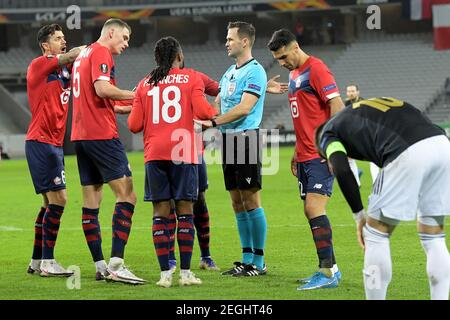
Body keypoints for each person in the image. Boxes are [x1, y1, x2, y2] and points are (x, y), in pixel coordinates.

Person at [315, 97, 450, 300]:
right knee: (433, 236)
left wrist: (359, 216)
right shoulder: (359, 112)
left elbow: (341, 168)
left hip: (407, 151)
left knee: (375, 235)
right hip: (442, 145)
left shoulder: (328, 133)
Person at [128, 36, 218, 288]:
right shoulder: (191, 78)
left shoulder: (145, 83)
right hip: (183, 151)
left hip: (154, 153)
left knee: (160, 212)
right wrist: (216, 110)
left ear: (157, 59)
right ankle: (186, 273)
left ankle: (165, 274)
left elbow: (134, 125)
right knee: (186, 211)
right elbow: (203, 112)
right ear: (179, 56)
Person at [197, 21, 277, 278]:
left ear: (245, 41)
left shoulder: (255, 72)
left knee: (251, 199)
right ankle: (246, 258)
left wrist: (212, 122)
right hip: (228, 140)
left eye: (230, 38)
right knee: (236, 201)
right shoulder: (230, 72)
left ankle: (259, 261)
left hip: (246, 139)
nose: (226, 42)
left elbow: (244, 108)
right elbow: (217, 103)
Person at [267, 29, 343, 290]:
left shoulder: (317, 69)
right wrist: (297, 152)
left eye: (284, 56)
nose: (282, 62)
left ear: (296, 47)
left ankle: (327, 273)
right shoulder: (294, 74)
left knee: (314, 208)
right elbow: (304, 118)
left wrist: (333, 147)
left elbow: (337, 106)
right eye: (278, 59)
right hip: (305, 156)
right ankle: (330, 268)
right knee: (309, 210)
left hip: (320, 154)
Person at [71, 18, 145, 284]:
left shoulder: (84, 54)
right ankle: (116, 264)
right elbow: (102, 89)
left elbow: (91, 97)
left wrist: (120, 107)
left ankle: (101, 265)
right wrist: (135, 96)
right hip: (102, 135)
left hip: (80, 137)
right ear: (110, 32)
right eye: (124, 38)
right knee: (128, 195)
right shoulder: (101, 52)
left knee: (91, 202)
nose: (126, 43)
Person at [25, 24, 85, 277]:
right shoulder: (38, 64)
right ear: (45, 46)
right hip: (41, 141)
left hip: (53, 144)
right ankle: (49, 262)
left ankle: (37, 261)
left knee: (49, 202)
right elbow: (73, 55)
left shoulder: (64, 71)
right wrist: (93, 48)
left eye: (64, 38)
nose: (63, 41)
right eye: (58, 39)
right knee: (60, 199)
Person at [345, 84, 379, 184]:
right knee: (349, 158)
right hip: (351, 135)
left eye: (353, 91)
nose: (350, 93)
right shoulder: (344, 104)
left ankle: (375, 181)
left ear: (357, 92)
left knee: (373, 158)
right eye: (349, 91)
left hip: (365, 134)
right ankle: (357, 183)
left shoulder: (364, 104)